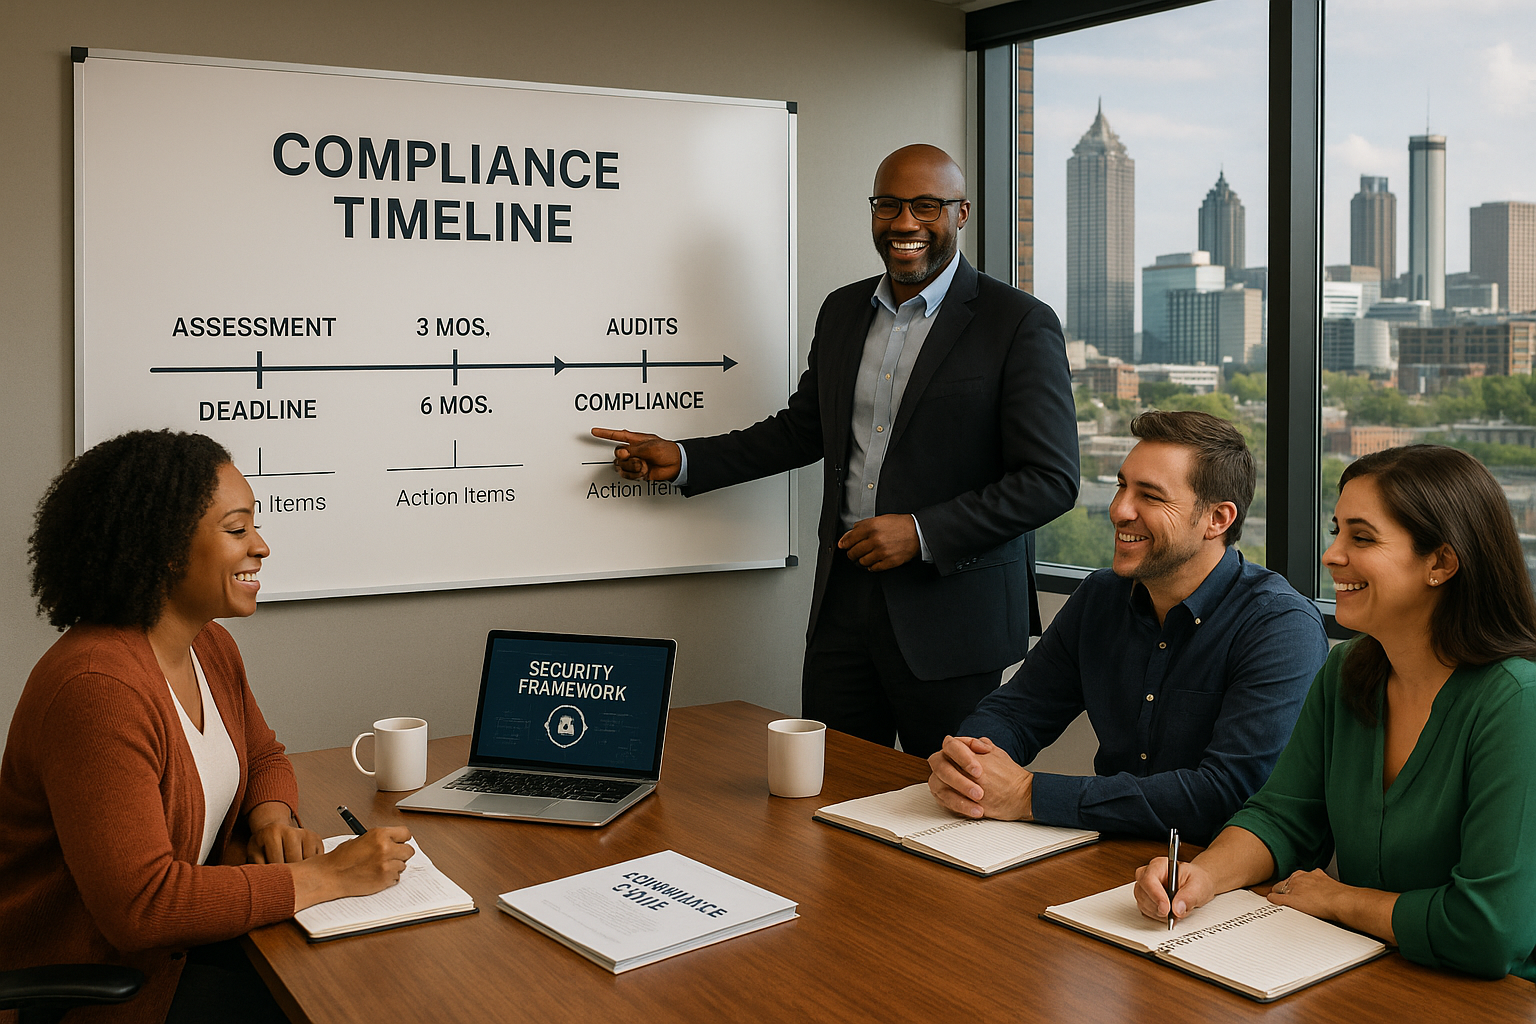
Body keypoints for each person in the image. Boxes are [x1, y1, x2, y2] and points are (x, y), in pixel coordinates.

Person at [591, 144, 1080, 758]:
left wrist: (922, 531)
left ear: (962, 213)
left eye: (927, 206)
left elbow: (1050, 479)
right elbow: (803, 430)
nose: (905, 223)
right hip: (844, 608)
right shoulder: (844, 310)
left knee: (951, 807)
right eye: (889, 205)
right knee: (830, 796)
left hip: (953, 619)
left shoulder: (1017, 322)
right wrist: (686, 458)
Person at [0, 430, 415, 1024]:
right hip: (107, 987)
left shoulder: (208, 645)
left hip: (184, 950)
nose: (262, 546)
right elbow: (142, 907)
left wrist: (271, 816)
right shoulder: (98, 689)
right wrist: (320, 877)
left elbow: (265, 753)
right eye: (238, 529)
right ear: (166, 547)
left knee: (372, 975)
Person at [1133, 444, 1536, 980]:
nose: (1332, 555)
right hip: (1379, 971)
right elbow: (1283, 816)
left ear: (1440, 562)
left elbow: (1488, 930)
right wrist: (1200, 876)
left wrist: (1340, 900)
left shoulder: (1517, 703)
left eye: (1362, 537)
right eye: (1336, 530)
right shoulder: (1348, 671)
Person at [927, 411, 1327, 844]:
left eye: (1150, 496)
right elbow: (1017, 712)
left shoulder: (1282, 629)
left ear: (1218, 519)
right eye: (1122, 486)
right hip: (1109, 849)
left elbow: (1226, 795)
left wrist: (1028, 794)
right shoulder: (1101, 596)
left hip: (1225, 876)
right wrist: (968, 763)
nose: (1119, 510)